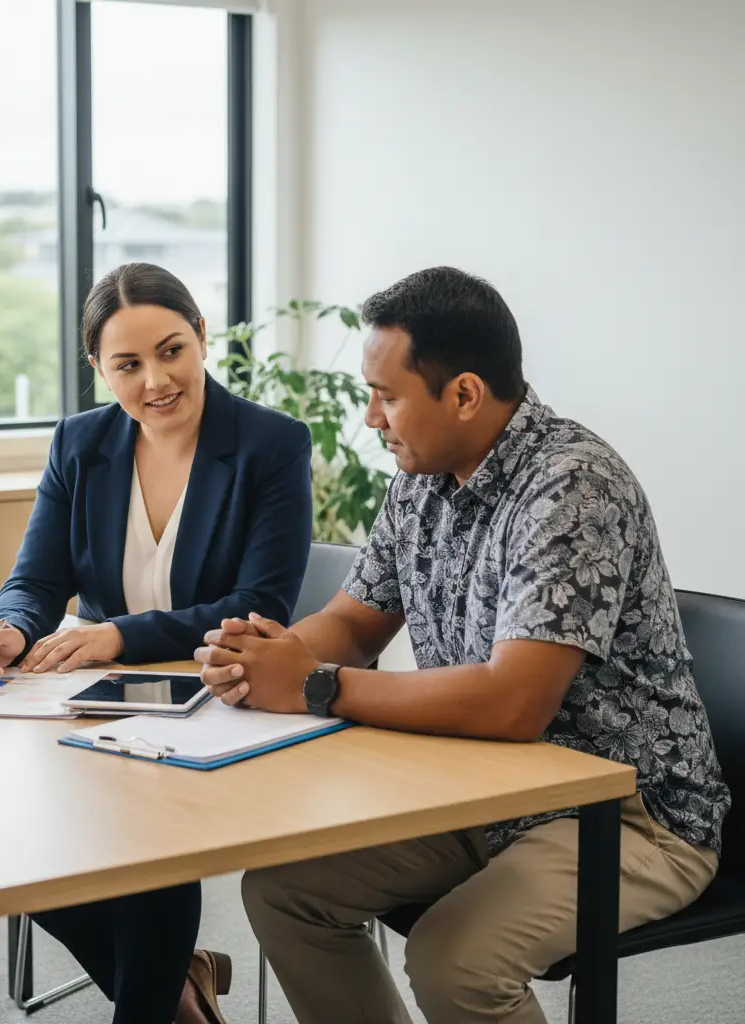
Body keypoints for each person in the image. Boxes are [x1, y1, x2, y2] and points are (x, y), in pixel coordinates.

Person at [196, 266, 730, 1024]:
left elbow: (516, 703)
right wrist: (269, 654)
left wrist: (315, 685)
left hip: (623, 813)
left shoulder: (572, 487)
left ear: (466, 394)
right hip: (483, 794)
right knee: (285, 890)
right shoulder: (421, 473)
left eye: (387, 396)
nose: (373, 418)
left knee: (454, 959)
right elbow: (353, 622)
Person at [0, 263, 313, 1024]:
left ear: (202, 339)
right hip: (103, 708)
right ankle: (177, 988)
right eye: (127, 363)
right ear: (98, 369)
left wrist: (114, 634)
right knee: (2, 838)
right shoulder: (80, 443)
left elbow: (260, 607)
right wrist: (14, 624)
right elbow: (36, 578)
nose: (156, 379)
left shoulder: (270, 445)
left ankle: (158, 1003)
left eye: (172, 350)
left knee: (149, 834)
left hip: (221, 705)